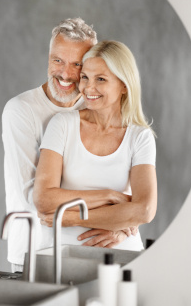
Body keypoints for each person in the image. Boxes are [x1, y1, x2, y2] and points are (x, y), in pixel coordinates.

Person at [2, 18, 137, 272]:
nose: (65, 73)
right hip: (34, 252)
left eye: (77, 64)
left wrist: (125, 223)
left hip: (93, 253)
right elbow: (35, 198)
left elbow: (129, 188)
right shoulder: (21, 110)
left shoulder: (95, 103)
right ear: (48, 57)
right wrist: (114, 204)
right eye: (57, 60)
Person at [34, 40, 157, 250]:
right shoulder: (63, 124)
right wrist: (111, 199)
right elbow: (44, 198)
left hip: (122, 253)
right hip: (62, 254)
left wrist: (72, 218)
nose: (88, 88)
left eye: (101, 79)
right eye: (85, 78)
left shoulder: (140, 137)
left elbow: (144, 210)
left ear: (124, 86)